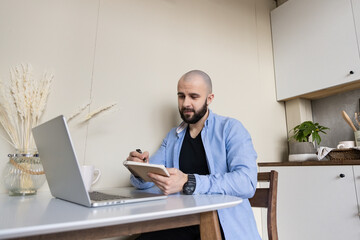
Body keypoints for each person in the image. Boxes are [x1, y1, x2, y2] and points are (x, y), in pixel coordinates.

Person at [126, 70, 260, 240]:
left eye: (194, 96)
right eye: (181, 96)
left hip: (221, 225)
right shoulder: (173, 136)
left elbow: (247, 182)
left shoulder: (231, 129)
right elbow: (150, 178)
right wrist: (139, 168)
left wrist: (188, 182)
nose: (186, 103)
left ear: (209, 99)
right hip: (181, 221)